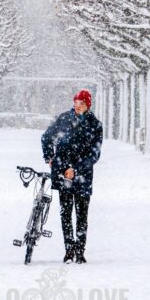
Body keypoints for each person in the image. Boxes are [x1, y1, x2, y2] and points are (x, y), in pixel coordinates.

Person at [41, 89, 103, 264]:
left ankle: (80, 250)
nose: (78, 105)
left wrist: (75, 169)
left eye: (81, 103)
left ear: (88, 105)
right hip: (63, 173)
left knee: (82, 214)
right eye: (76, 102)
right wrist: (49, 157)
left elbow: (94, 154)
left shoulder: (95, 125)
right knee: (66, 213)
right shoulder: (63, 119)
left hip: (83, 175)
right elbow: (46, 137)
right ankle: (69, 249)